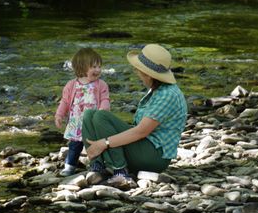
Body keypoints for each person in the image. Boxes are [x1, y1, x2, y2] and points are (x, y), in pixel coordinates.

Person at [82, 43, 187, 188]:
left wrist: (104, 143)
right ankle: (97, 166)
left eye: (138, 69)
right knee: (89, 114)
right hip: (143, 147)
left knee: (101, 117)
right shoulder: (157, 89)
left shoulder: (168, 95)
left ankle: (120, 171)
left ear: (149, 74)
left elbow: (141, 131)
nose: (136, 72)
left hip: (154, 156)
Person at [54, 47, 111, 176]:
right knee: (74, 145)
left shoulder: (101, 84)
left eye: (99, 66)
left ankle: (97, 164)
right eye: (94, 67)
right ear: (82, 67)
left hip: (93, 121)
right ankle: (70, 165)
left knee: (95, 144)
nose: (98, 70)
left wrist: (102, 111)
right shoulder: (71, 85)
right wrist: (59, 115)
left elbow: (105, 99)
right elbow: (65, 101)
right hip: (76, 122)